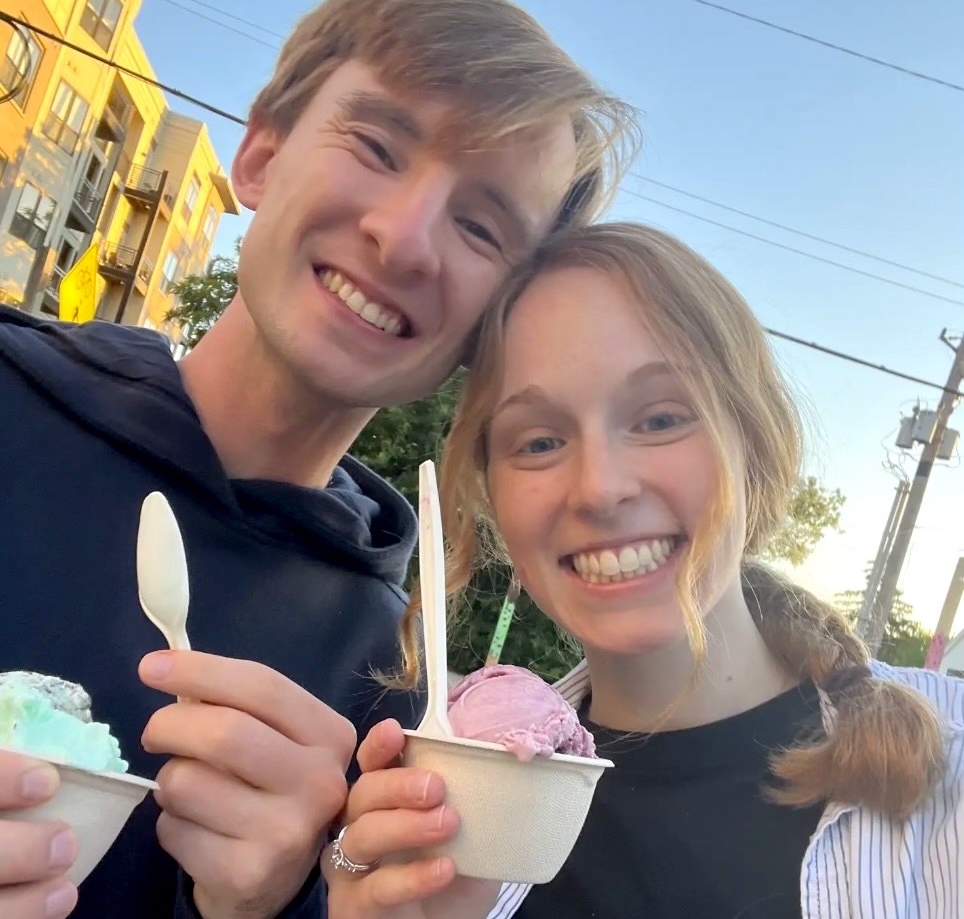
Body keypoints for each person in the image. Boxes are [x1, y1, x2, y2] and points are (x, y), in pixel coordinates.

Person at [0, 0, 638, 919]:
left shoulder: (397, 699)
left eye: (480, 225)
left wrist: (275, 907)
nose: (405, 237)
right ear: (258, 154)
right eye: (377, 147)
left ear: (490, 328)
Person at [327, 222, 964, 919]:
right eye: (539, 441)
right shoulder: (455, 816)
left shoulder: (950, 774)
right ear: (494, 499)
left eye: (661, 420)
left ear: (753, 442)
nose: (599, 488)